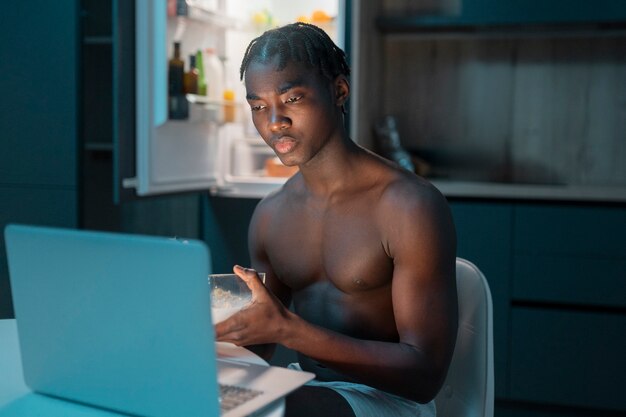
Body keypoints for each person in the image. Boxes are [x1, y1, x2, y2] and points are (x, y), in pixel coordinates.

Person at [215, 22, 458, 417]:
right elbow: (262, 340)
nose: (275, 121)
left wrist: (288, 328)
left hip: (391, 402)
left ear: (339, 91)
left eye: (292, 98)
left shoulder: (408, 206)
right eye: (258, 106)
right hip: (309, 388)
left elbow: (426, 375)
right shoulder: (270, 215)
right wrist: (211, 344)